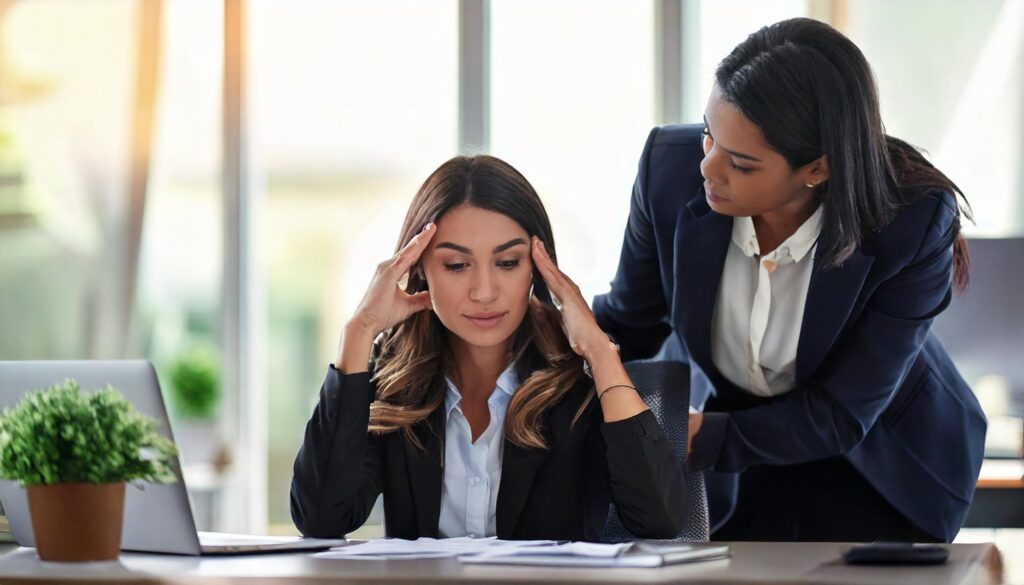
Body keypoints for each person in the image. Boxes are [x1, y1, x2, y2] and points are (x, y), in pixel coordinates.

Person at [592, 17, 986, 543]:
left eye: (741, 163)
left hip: (880, 464)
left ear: (817, 169)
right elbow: (628, 322)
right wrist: (523, 348)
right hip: (739, 461)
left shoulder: (911, 220)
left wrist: (693, 437)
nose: (709, 168)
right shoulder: (668, 172)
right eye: (709, 135)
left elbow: (842, 412)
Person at [291, 155, 688, 541]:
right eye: (456, 265)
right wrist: (360, 331)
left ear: (538, 268)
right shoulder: (395, 385)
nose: (484, 292)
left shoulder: (577, 384)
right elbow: (322, 518)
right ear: (419, 269)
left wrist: (601, 354)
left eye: (508, 262)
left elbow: (659, 520)